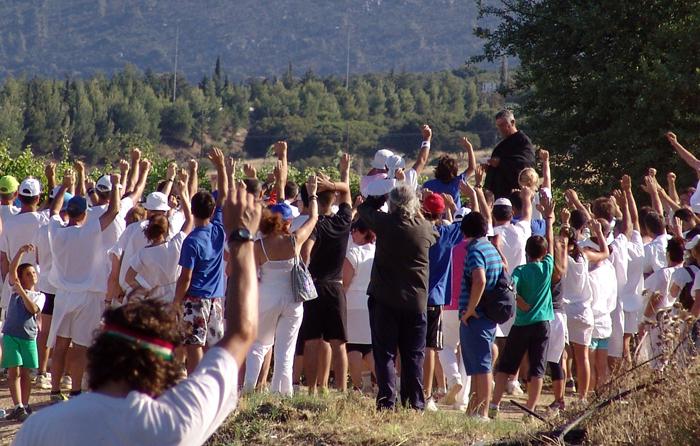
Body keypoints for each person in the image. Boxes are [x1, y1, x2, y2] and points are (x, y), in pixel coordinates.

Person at [13, 183, 262, 446]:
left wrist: (131, 291)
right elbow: (242, 333)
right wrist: (242, 239)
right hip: (170, 302)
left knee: (61, 343)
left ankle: (51, 382)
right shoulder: (177, 421)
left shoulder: (41, 427)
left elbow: (124, 271)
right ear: (160, 367)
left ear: (101, 351)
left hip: (81, 296)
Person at [358, 184, 438, 410]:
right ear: (415, 203)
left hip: (385, 299)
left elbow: (363, 209)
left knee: (385, 354)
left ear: (391, 204)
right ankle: (415, 403)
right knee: (414, 356)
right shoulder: (425, 228)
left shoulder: (385, 223)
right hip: (416, 302)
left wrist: (381, 194)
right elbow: (436, 233)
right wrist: (418, 210)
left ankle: (387, 402)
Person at [47, 172, 123, 400]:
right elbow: (114, 211)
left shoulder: (57, 232)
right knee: (80, 347)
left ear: (68, 213)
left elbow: (52, 211)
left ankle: (54, 390)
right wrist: (117, 184)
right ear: (84, 214)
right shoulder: (89, 232)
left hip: (63, 294)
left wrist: (64, 187)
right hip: (87, 295)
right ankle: (76, 391)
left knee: (60, 345)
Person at [243, 174, 319, 396]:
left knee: (259, 344)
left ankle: (248, 389)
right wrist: (312, 194)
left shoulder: (259, 246)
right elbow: (313, 218)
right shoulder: (293, 241)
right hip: (293, 299)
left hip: (267, 297)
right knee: (286, 349)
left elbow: (251, 274)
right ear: (287, 222)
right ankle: (282, 393)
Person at [489, 192, 555, 416]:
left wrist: (519, 302)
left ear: (526, 253)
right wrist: (549, 219)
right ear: (544, 253)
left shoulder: (520, 270)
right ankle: (531, 408)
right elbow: (551, 245)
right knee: (537, 368)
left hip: (523, 321)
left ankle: (494, 404)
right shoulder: (547, 268)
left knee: (506, 365)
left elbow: (510, 285)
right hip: (543, 322)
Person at [300, 154, 352, 394]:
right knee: (339, 342)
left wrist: (303, 272)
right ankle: (341, 390)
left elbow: (305, 252)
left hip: (314, 285)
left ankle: (311, 388)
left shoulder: (316, 224)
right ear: (332, 199)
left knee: (311, 340)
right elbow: (347, 191)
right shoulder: (343, 221)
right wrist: (342, 174)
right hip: (336, 285)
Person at [174, 148, 228, 374]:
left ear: (192, 211)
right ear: (212, 210)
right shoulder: (218, 230)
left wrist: (176, 302)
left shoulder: (191, 241)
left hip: (195, 297)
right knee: (213, 346)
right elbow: (224, 195)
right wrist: (221, 167)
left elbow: (185, 277)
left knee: (194, 343)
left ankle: (195, 383)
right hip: (216, 298)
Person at [458, 211, 503, 420]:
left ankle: (482, 412)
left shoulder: (475, 249)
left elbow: (480, 279)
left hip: (478, 316)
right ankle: (473, 409)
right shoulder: (491, 248)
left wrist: (470, 310)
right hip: (488, 315)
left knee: (482, 366)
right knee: (477, 365)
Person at [422, 192, 464, 411]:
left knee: (409, 345)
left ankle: (408, 390)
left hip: (413, 295)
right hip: (435, 298)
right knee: (431, 347)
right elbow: (467, 222)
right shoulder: (445, 233)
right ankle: (427, 396)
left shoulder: (416, 230)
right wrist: (453, 205)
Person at [124, 180, 193, 302]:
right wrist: (183, 193)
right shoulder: (176, 244)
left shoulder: (143, 254)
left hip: (155, 300)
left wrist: (146, 292)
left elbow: (128, 278)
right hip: (176, 296)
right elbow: (189, 220)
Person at [2, 244, 45, 422]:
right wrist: (19, 252)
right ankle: (18, 405)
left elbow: (33, 309)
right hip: (11, 335)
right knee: (14, 371)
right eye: (28, 273)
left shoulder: (39, 295)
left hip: (28, 337)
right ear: (21, 278)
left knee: (26, 373)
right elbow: (12, 270)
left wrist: (22, 292)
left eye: (33, 273)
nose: (32, 275)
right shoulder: (15, 290)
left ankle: (25, 405)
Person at [342, 218, 377, 394]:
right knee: (369, 347)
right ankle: (388, 380)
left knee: (354, 347)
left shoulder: (354, 253)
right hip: (371, 302)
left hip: (353, 302)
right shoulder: (376, 252)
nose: (352, 234)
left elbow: (345, 282)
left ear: (364, 233)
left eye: (355, 230)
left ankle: (357, 387)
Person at [483, 109, 536, 199]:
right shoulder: (501, 146)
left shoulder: (523, 142)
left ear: (512, 122)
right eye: (498, 126)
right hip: (498, 195)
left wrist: (501, 162)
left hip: (515, 195)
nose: (500, 129)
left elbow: (525, 163)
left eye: (503, 125)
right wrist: (490, 168)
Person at [422, 136, 476, 208]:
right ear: (455, 170)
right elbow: (472, 167)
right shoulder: (458, 182)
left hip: (435, 218)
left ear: (438, 169)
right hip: (455, 217)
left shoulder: (428, 185)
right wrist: (469, 147)